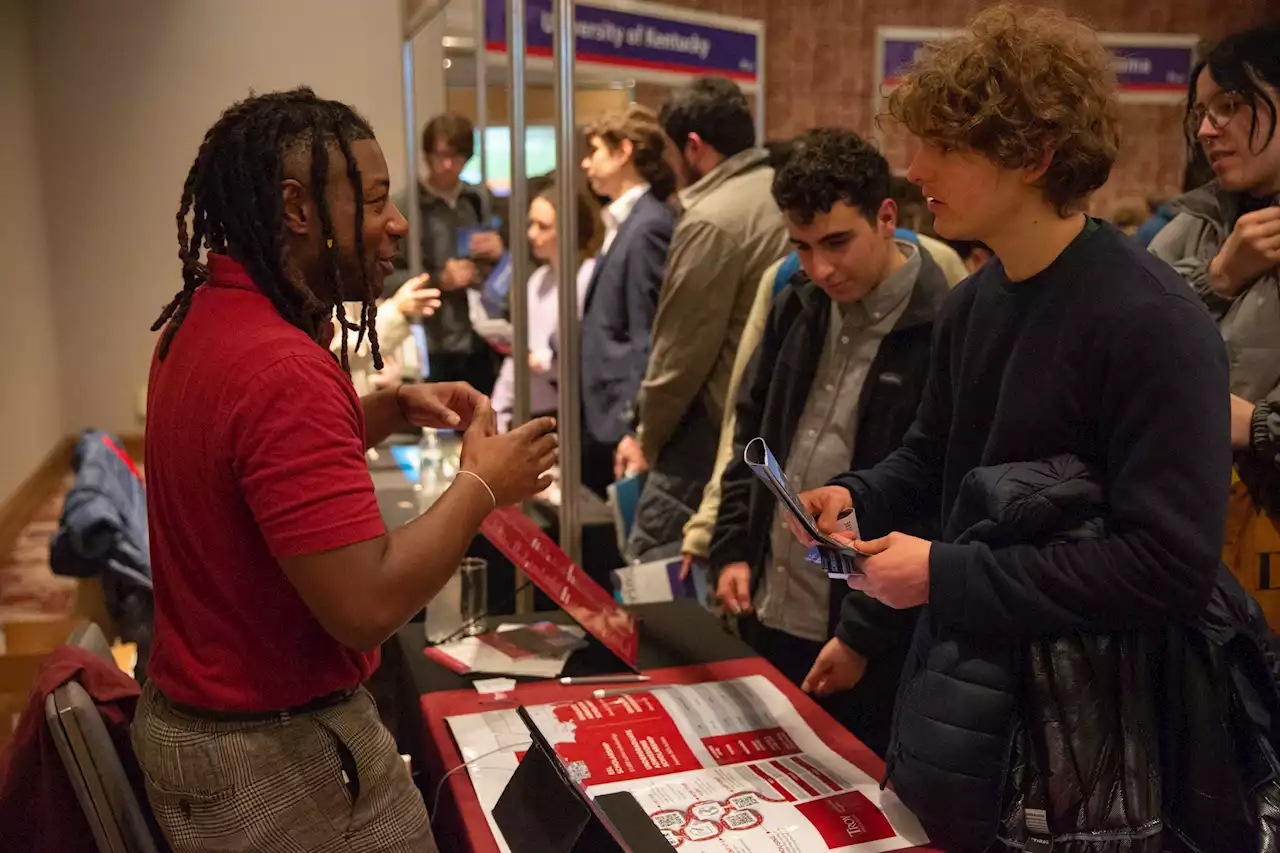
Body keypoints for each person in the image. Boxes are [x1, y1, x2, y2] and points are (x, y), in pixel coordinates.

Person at [793, 9, 1229, 849]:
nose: (915, 168)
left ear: (1034, 155)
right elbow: (934, 460)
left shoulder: (1155, 321)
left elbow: (1168, 566)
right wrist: (854, 495)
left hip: (1093, 740)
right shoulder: (972, 304)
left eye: (944, 148)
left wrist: (947, 575)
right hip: (966, 703)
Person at [135, 88, 558, 853]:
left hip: (204, 726)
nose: (396, 223)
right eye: (372, 201)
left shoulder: (198, 319)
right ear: (298, 209)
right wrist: (483, 486)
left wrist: (390, 409)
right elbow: (364, 605)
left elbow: (249, 465)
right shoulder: (281, 367)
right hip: (268, 759)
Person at [709, 128, 948, 755]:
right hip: (772, 602)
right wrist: (733, 547)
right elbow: (752, 432)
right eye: (803, 247)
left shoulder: (942, 324)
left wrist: (864, 635)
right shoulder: (798, 301)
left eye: (837, 243)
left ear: (887, 216)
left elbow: (937, 494)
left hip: (869, 630)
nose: (820, 267)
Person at [618, 76, 791, 560]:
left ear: (693, 147)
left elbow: (680, 354)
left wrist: (646, 438)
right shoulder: (779, 190)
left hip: (707, 433)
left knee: (654, 574)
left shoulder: (713, 216)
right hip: (765, 430)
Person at [1150, 23, 1280, 627]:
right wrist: (1218, 279)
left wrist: (1257, 426)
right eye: (1202, 112)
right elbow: (1115, 356)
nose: (1207, 130)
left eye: (1230, 107)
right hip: (1181, 531)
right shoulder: (1190, 226)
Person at [578, 105, 677, 496]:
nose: (586, 163)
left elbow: (647, 334)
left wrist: (633, 425)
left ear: (623, 152)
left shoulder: (649, 225)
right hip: (604, 409)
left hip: (620, 415)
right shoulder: (626, 222)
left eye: (595, 151)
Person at [388, 112, 505, 393]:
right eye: (440, 156)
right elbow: (384, 279)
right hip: (427, 342)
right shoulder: (404, 205)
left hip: (481, 338)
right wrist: (440, 279)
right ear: (427, 155)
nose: (448, 165)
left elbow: (508, 267)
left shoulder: (478, 199)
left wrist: (500, 252)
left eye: (457, 156)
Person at [492, 181, 600, 430]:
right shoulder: (538, 279)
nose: (531, 234)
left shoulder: (588, 277)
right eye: (531, 224)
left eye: (543, 227)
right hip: (531, 408)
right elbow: (518, 355)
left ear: (568, 229)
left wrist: (546, 363)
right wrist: (497, 412)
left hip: (570, 411)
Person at [331, 273, 440, 395]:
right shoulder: (324, 297)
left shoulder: (371, 298)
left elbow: (391, 366)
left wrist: (393, 383)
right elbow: (339, 353)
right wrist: (396, 309)